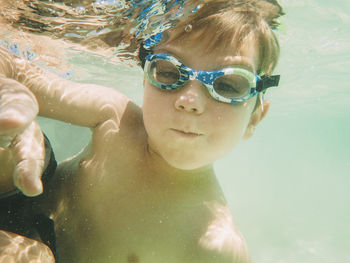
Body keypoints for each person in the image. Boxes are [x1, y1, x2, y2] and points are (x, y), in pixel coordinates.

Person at [0, 0, 284, 262]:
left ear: (255, 118)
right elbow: (14, 67)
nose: (190, 101)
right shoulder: (114, 116)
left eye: (228, 86)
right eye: (170, 73)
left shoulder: (216, 246)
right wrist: (11, 94)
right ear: (146, 79)